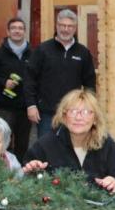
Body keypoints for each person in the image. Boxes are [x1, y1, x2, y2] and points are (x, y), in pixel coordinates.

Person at [24, 9, 96, 138]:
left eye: (70, 26)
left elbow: (90, 83)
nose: (66, 29)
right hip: (46, 113)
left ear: (75, 29)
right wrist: (31, 105)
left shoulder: (83, 52)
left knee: (71, 150)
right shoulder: (43, 50)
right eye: (62, 25)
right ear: (56, 26)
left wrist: (88, 108)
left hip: (73, 113)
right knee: (46, 150)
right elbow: (29, 79)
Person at [0, 17, 32, 161]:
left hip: (25, 107)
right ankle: (3, 172)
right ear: (8, 32)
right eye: (14, 28)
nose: (17, 31)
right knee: (2, 142)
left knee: (23, 144)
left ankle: (20, 174)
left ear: (24, 32)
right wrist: (3, 83)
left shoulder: (33, 54)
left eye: (20, 28)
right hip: (5, 107)